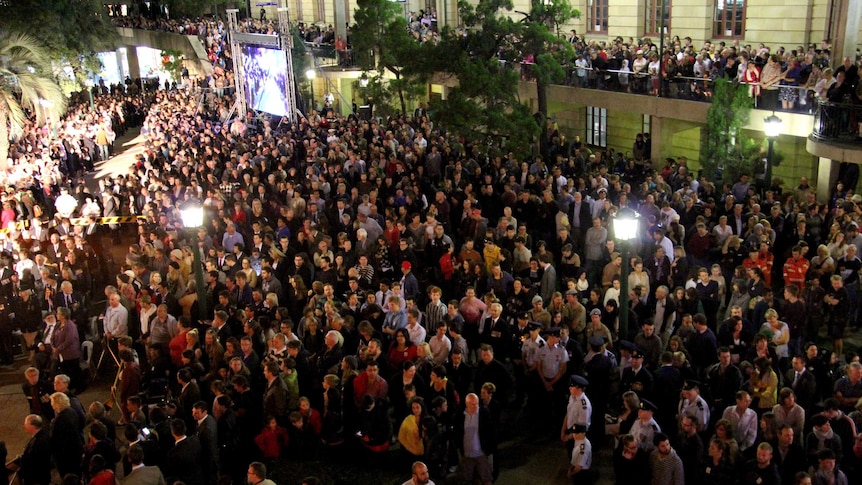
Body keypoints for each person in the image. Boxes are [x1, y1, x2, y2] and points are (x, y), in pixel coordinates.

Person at [454, 393, 496, 485]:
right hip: (467, 455)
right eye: (473, 404)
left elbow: (491, 432)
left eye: (477, 404)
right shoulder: (460, 415)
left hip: (481, 454)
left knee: (486, 478)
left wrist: (489, 450)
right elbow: (457, 433)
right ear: (467, 404)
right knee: (468, 479)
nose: (476, 406)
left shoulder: (484, 413)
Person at [10, 414, 52, 485]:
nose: (24, 426)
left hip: (36, 478)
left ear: (32, 426)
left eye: (26, 424)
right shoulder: (43, 434)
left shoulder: (39, 442)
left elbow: (33, 460)